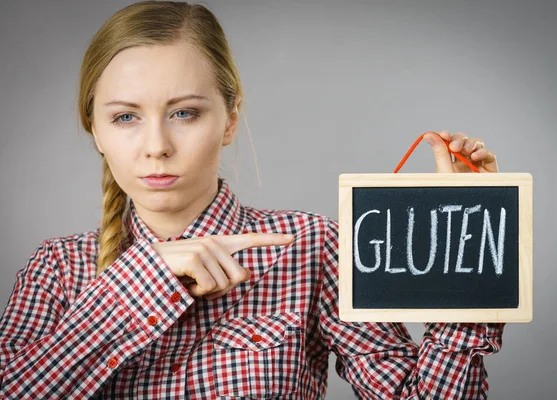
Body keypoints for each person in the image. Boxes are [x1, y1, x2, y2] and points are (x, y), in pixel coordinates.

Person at [0, 1, 505, 399]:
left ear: (230, 120)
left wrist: (464, 246)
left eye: (185, 113)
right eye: (125, 117)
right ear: (96, 130)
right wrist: (145, 279)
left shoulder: (312, 246)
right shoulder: (56, 269)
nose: (156, 145)